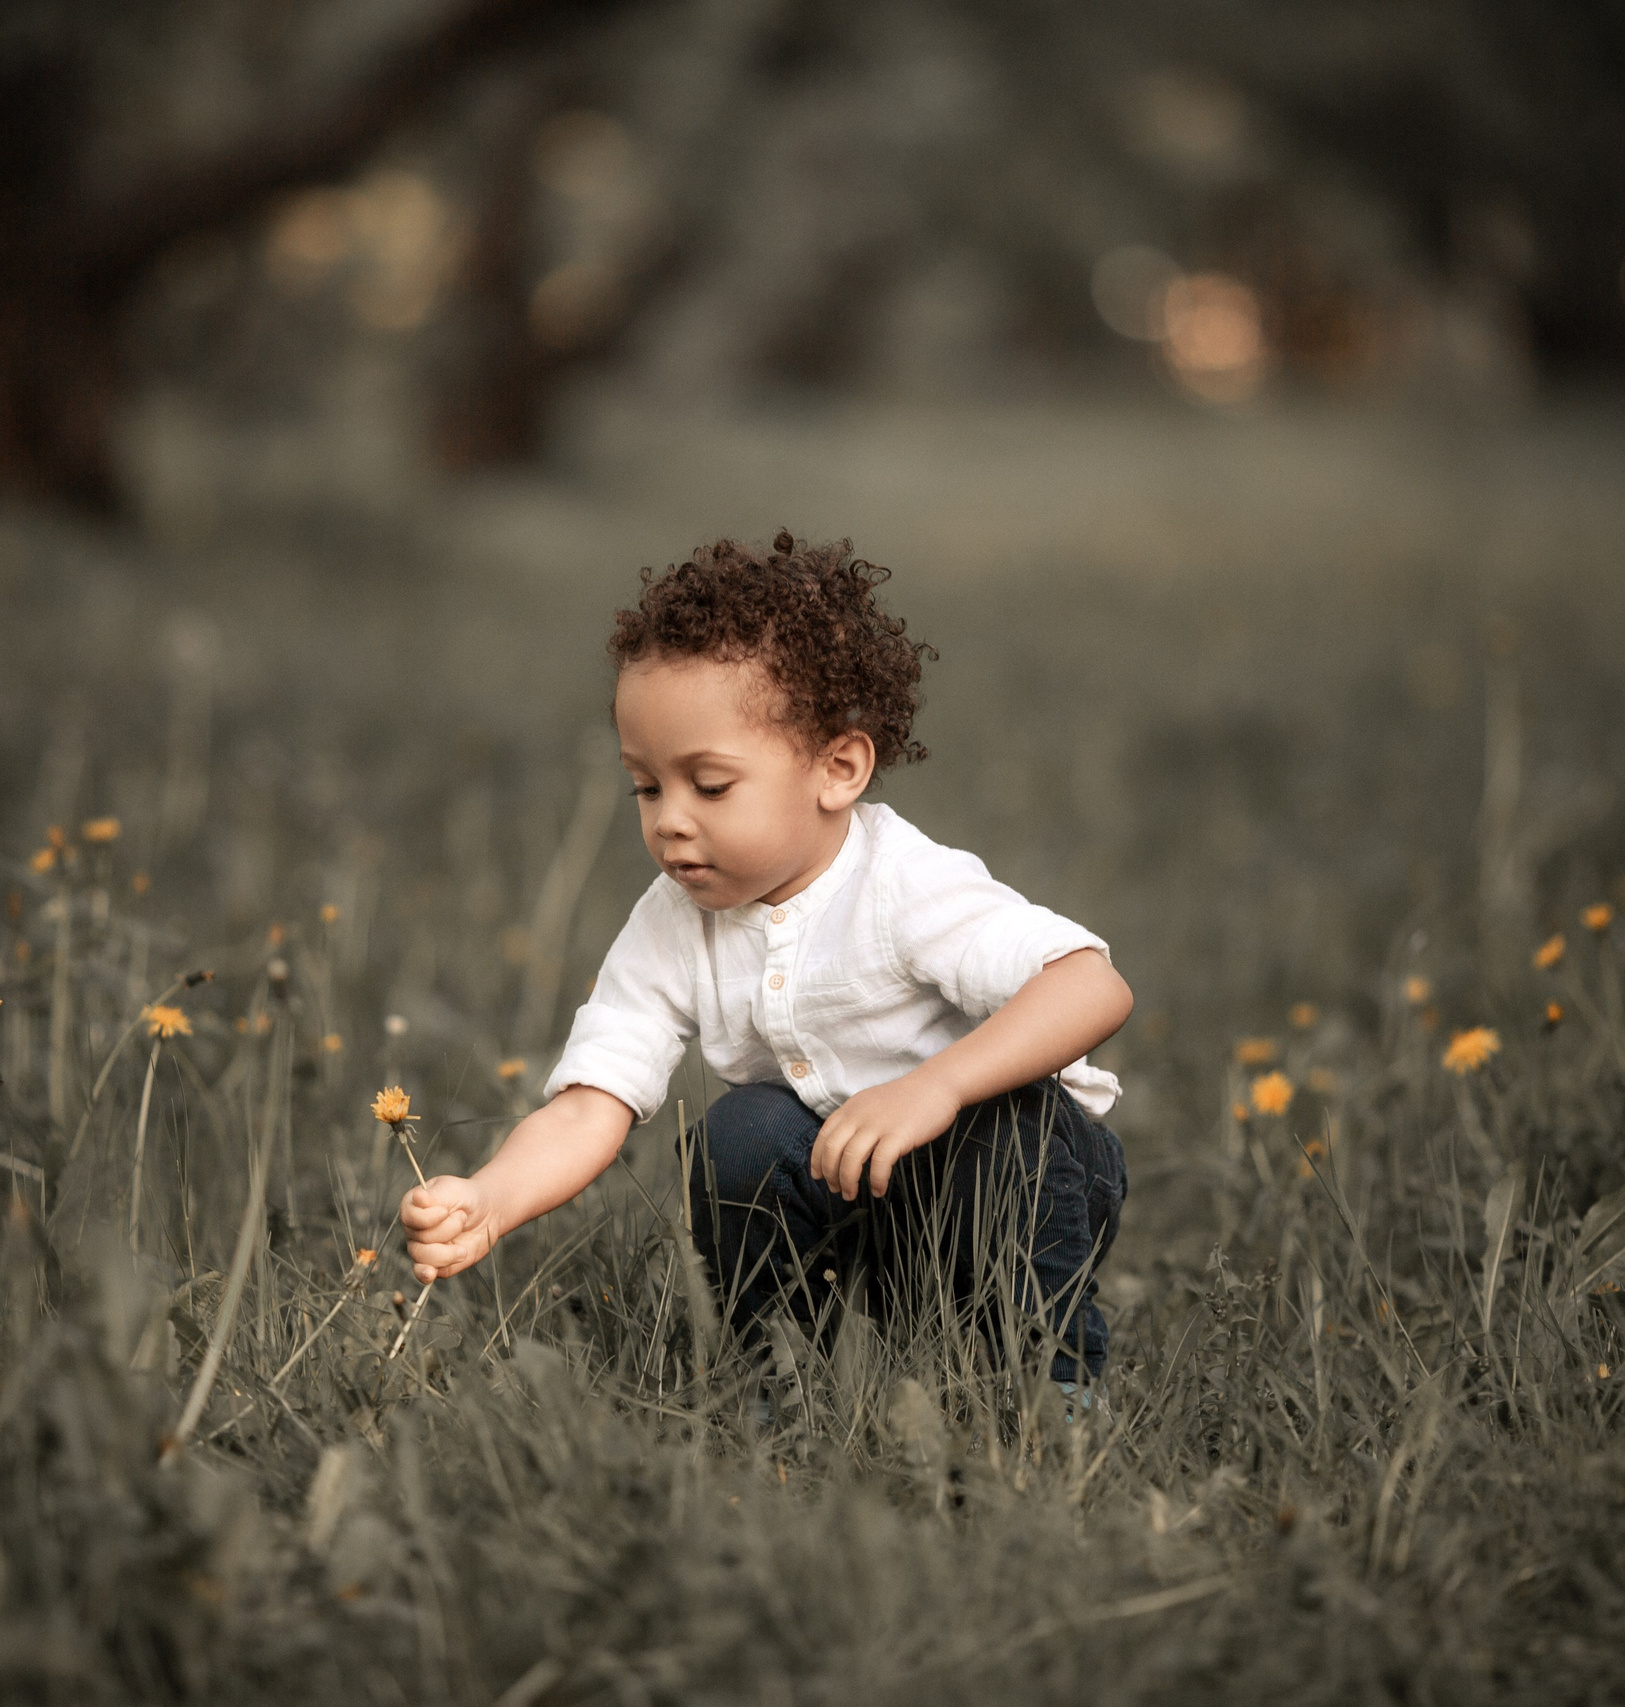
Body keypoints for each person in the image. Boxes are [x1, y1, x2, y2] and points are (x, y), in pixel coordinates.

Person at [400, 531, 1132, 1389]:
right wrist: (491, 1199)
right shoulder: (675, 921)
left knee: (1007, 1126)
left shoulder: (902, 884)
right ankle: (778, 1378)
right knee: (741, 1133)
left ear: (838, 767)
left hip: (1021, 1190)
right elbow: (589, 1103)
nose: (671, 819)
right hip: (854, 1198)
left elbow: (1091, 983)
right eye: (647, 786)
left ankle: (1051, 1385)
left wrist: (937, 1085)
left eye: (709, 786)